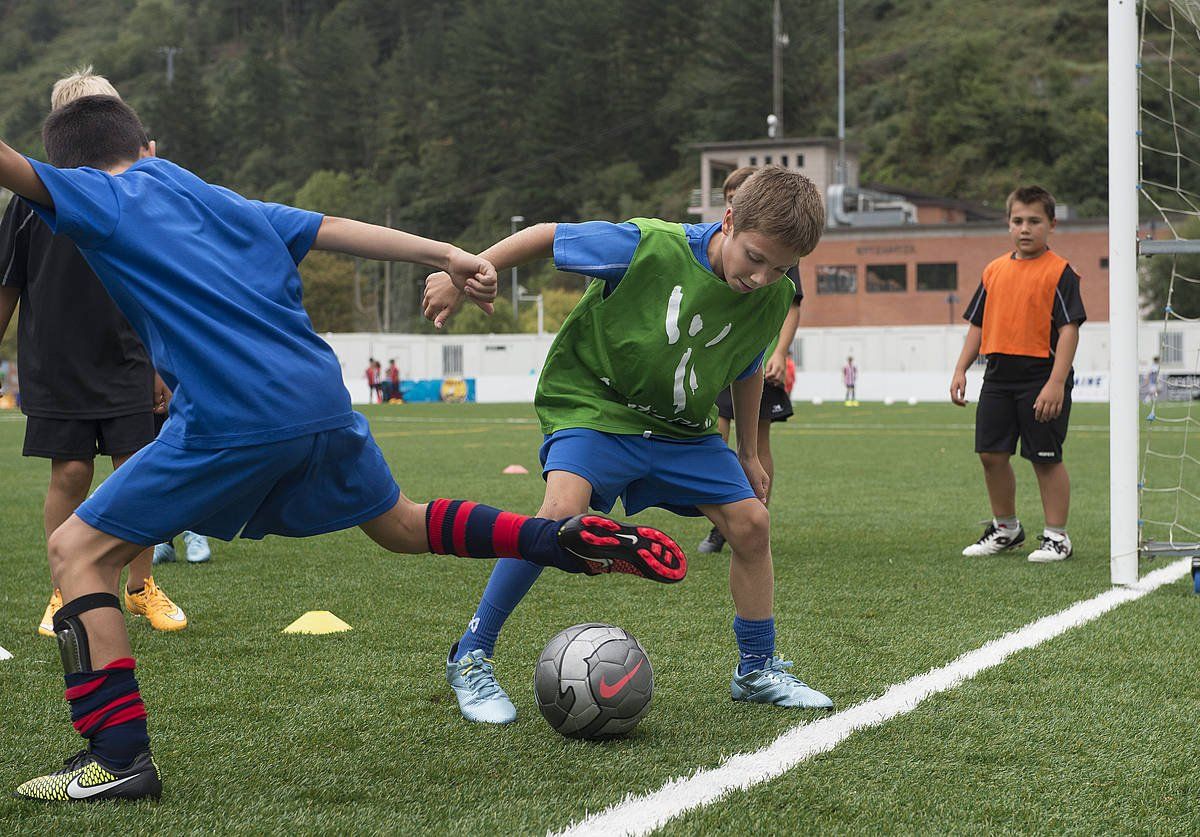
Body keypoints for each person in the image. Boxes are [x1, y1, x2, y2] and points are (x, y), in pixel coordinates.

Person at [1, 94, 686, 802]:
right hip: (322, 398)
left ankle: (117, 758)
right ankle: (554, 538)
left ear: (72, 169)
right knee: (403, 525)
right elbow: (332, 227)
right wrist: (446, 253)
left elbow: (12, 168)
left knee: (76, 552)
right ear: (145, 144)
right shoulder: (216, 198)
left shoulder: (99, 196)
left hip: (233, 414)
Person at [424, 165, 833, 725]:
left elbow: (747, 364)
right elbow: (547, 235)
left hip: (680, 429)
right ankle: (471, 654)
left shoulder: (773, 294)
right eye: (755, 258)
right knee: (561, 512)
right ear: (729, 220)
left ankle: (757, 669)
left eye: (781, 267)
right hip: (598, 407)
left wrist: (749, 454)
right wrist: (463, 270)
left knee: (751, 524)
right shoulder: (646, 246)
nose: (763, 278)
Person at [0, 68, 187, 638]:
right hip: (56, 365)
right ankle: (65, 591)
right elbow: (7, 286)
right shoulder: (30, 204)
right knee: (72, 473)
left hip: (130, 360)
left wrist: (163, 366)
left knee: (138, 472)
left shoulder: (138, 197)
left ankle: (140, 588)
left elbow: (159, 288)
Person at [950, 184, 1086, 563]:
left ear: (1052, 225)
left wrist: (1056, 382)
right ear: (1008, 224)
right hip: (997, 376)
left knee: (1045, 457)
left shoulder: (1060, 272)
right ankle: (1006, 528)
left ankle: (1057, 536)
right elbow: (977, 324)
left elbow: (1069, 329)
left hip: (1041, 376)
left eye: (1034, 221)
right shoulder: (994, 270)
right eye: (1017, 221)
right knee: (991, 455)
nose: (1025, 228)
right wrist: (961, 368)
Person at [700, 167, 803, 555]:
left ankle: (756, 515)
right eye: (728, 197)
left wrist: (779, 352)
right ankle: (723, 522)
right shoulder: (722, 248)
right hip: (717, 357)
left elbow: (794, 307)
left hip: (753, 359)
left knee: (757, 444)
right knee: (716, 433)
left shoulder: (777, 253)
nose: (764, 276)